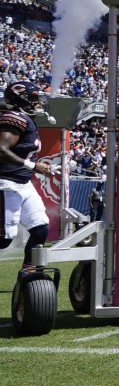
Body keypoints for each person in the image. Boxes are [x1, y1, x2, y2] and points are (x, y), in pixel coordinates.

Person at [0, 81, 55, 271]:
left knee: (40, 228)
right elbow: (1, 150)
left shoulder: (25, 118)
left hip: (23, 183)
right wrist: (32, 165)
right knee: (4, 239)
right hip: (6, 182)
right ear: (20, 100)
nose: (38, 103)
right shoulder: (15, 118)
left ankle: (28, 274)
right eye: (33, 99)